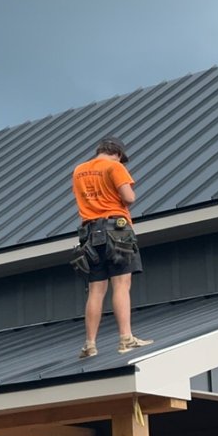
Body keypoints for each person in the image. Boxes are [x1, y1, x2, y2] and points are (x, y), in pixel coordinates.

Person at [70, 137, 151, 358]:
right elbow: (129, 197)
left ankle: (90, 344)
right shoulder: (114, 166)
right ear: (116, 153)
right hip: (117, 229)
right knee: (121, 285)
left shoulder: (79, 170)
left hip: (89, 234)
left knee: (96, 291)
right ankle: (126, 338)